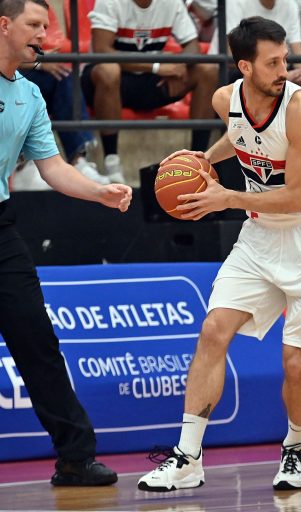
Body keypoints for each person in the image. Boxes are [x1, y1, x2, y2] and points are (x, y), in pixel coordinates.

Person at [137, 16, 301, 492]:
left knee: (295, 361)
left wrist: (226, 198)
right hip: (260, 234)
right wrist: (204, 160)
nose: (284, 71)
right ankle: (187, 458)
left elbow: (297, 198)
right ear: (244, 67)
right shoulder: (223, 100)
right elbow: (242, 135)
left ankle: (295, 447)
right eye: (273, 63)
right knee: (213, 330)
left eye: (285, 60)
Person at [0, 0, 132, 485]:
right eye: (35, 25)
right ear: (4, 25)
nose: (44, 35)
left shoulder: (30, 95)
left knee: (37, 340)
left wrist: (99, 192)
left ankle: (76, 458)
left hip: (1, 228)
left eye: (47, 26)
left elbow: (52, 167)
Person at [82, 0, 219, 183]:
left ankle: (197, 160)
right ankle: (111, 161)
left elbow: (193, 46)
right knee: (109, 70)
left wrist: (178, 66)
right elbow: (102, 51)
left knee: (207, 71)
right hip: (108, 81)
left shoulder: (171, 3)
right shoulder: (110, 2)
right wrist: (156, 66)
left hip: (152, 80)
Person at [208, 0, 301, 117]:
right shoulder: (236, 2)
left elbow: (298, 51)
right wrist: (281, 76)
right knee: (247, 76)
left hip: (279, 68)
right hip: (240, 69)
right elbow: (233, 54)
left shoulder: (290, 4)